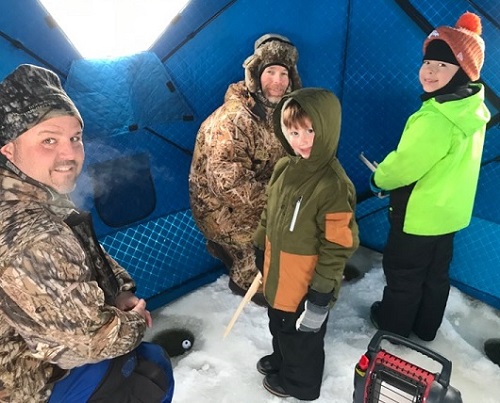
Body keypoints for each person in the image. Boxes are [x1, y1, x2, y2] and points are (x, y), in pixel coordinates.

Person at [0, 64, 174, 403]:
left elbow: (82, 251)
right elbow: (91, 339)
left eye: (74, 138)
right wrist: (135, 322)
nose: (68, 154)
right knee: (153, 374)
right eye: (48, 140)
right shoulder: (30, 236)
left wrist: (117, 290)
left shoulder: (36, 192)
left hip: (48, 353)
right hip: (31, 385)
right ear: (8, 148)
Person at [369, 12, 491, 341]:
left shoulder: (436, 118)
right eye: (428, 63)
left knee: (404, 275)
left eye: (443, 66)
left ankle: (393, 329)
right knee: (435, 276)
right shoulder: (473, 110)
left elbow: (405, 165)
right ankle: (425, 329)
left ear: (462, 72)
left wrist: (380, 178)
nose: (431, 72)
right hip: (449, 214)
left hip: (418, 216)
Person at [252, 87, 359, 400]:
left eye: (310, 130)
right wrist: (260, 246)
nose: (301, 140)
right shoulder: (285, 167)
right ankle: (282, 359)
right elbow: (269, 211)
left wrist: (321, 294)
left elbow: (338, 245)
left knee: (302, 339)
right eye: (293, 131)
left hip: (304, 283)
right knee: (279, 324)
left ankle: (302, 384)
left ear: (327, 128)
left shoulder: (334, 185)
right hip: (277, 274)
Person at [189, 33, 302, 306]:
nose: (277, 81)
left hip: (264, 196)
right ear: (255, 74)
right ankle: (242, 272)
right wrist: (283, 202)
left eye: (284, 73)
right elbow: (229, 187)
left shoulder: (284, 113)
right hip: (222, 210)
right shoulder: (233, 119)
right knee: (265, 278)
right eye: (270, 72)